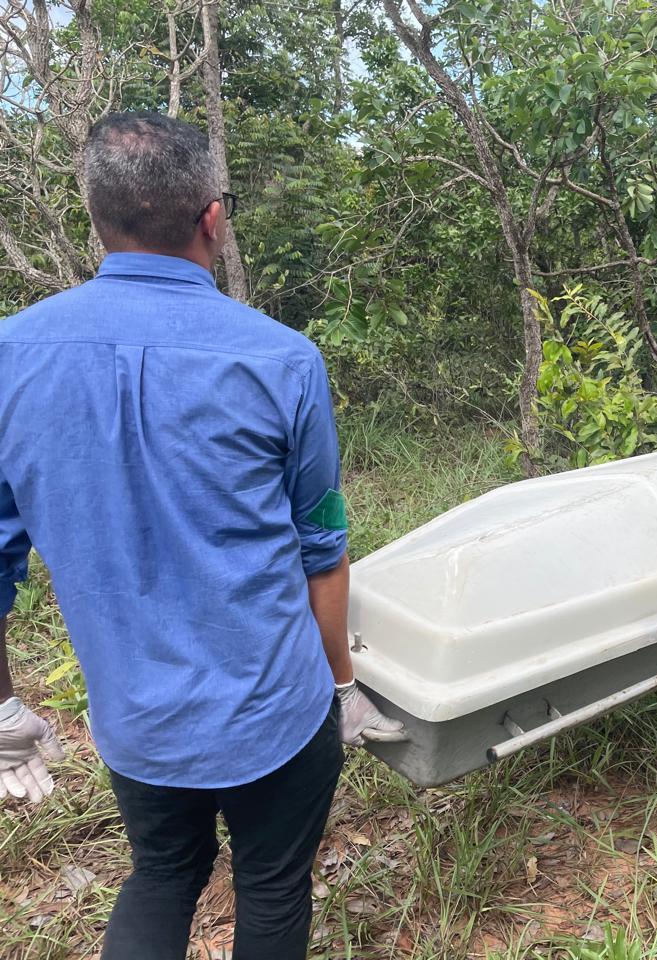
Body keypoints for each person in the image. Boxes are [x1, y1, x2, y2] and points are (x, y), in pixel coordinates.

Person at [0, 112, 406, 959]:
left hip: (137, 723)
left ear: (97, 217)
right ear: (211, 219)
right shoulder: (281, 359)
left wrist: (4, 706)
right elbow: (321, 547)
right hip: (274, 714)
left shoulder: (12, 355)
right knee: (270, 886)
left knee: (163, 874)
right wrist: (342, 688)